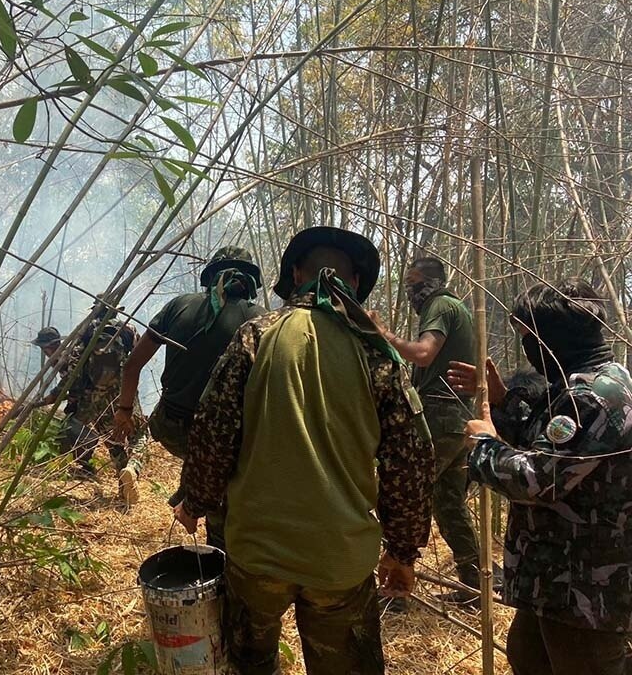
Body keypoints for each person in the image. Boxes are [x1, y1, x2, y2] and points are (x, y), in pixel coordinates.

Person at [175, 227, 434, 675]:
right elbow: (409, 461)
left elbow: (213, 431)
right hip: (339, 563)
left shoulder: (256, 338)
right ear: (354, 283)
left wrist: (195, 501)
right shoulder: (377, 354)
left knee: (250, 665)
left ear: (295, 275)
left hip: (256, 557)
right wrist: (403, 550)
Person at [451, 279, 632, 675]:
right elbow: (553, 448)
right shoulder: (587, 383)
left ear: (549, 339)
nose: (527, 351)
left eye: (527, 338)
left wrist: (484, 445)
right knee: (527, 655)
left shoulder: (593, 395)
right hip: (556, 580)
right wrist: (502, 401)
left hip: (584, 588)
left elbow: (539, 479)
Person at [113, 246, 265, 547]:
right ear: (250, 283)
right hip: (225, 440)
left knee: (180, 442)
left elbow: (132, 365)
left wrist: (124, 410)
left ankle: (181, 483)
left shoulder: (178, 305)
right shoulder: (262, 321)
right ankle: (215, 538)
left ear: (209, 279)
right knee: (221, 486)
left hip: (172, 427)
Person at [370, 256, 481, 598]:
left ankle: (396, 589)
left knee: (405, 494)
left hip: (440, 416)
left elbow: (422, 353)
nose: (410, 292)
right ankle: (475, 583)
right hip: (458, 421)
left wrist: (383, 334)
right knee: (448, 503)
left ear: (431, 283)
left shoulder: (440, 304)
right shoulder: (455, 307)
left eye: (413, 284)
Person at [33, 318, 149, 505]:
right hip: (122, 390)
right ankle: (132, 471)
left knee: (114, 441)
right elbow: (134, 355)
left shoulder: (77, 347)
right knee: (139, 434)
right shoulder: (121, 330)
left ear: (50, 346)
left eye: (44, 349)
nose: (46, 353)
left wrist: (50, 399)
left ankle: (124, 482)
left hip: (96, 400)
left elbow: (70, 381)